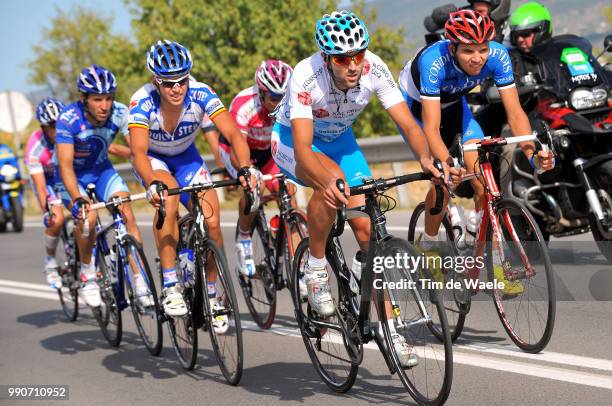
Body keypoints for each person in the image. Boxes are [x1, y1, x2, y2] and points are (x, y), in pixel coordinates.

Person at [271, 10, 437, 368]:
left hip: (341, 143)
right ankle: (315, 268)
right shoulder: (305, 75)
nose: (353, 64)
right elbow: (302, 151)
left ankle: (392, 329)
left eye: (359, 54)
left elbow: (408, 124)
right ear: (328, 58)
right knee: (330, 184)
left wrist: (425, 158)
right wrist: (326, 179)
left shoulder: (374, 68)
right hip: (294, 142)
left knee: (367, 229)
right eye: (344, 58)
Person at [398, 10, 555, 295]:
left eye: (482, 50)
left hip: (457, 108)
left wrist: (533, 154)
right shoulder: (434, 62)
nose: (477, 58)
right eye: (468, 50)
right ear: (452, 47)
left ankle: (496, 264)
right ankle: (430, 244)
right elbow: (431, 129)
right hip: (419, 112)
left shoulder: (498, 56)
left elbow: (516, 113)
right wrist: (446, 162)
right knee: (443, 181)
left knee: (484, 183)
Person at [129, 40, 257, 328]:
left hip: (187, 159)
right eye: (168, 83)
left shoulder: (201, 93)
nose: (177, 88)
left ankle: (211, 295)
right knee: (169, 201)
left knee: (212, 222)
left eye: (182, 81)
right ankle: (171, 284)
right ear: (155, 82)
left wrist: (245, 167)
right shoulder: (141, 101)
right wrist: (151, 183)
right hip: (154, 160)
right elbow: (137, 153)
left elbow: (235, 136)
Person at [55, 64, 138, 308]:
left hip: (102, 170)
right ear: (84, 99)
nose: (104, 105)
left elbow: (136, 148)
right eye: (97, 99)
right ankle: (88, 273)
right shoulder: (68, 119)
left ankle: (139, 279)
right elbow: (65, 165)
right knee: (88, 218)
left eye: (109, 98)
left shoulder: (120, 112)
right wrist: (77, 198)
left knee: (126, 209)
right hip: (73, 176)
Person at [216, 59, 297, 281]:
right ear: (261, 93)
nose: (280, 102)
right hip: (240, 150)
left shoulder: (293, 101)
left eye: (284, 96)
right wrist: (248, 170)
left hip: (269, 150)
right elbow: (236, 146)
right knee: (254, 188)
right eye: (274, 97)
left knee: (289, 189)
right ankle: (244, 238)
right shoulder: (243, 104)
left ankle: (298, 259)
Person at [25, 98, 66, 288]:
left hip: (66, 176)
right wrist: (47, 209)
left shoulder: (70, 134)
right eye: (52, 126)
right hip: (47, 182)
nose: (57, 129)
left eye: (60, 123)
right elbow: (41, 187)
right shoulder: (35, 146)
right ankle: (50, 261)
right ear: (43, 127)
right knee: (56, 219)